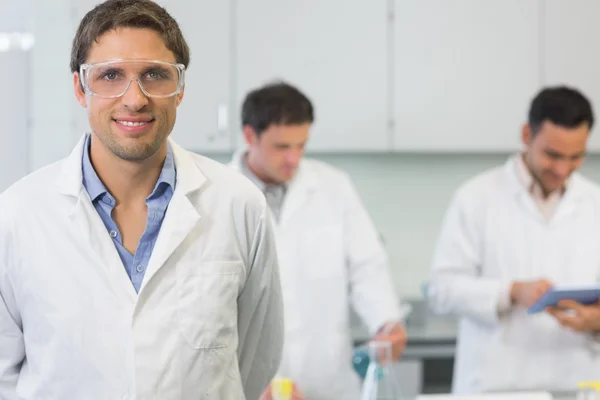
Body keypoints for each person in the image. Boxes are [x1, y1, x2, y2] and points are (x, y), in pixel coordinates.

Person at [0, 1, 284, 399]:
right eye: (111, 75)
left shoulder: (238, 206)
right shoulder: (17, 214)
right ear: (80, 88)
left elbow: (255, 361)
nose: (135, 99)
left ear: (180, 89)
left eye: (154, 74)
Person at [228, 81, 408, 400]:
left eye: (301, 145)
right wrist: (250, 378)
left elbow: (366, 267)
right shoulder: (220, 194)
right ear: (249, 136)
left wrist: (385, 322)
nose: (294, 158)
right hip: (250, 384)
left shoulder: (334, 187)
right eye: (282, 147)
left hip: (327, 378)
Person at [426, 86, 600, 394]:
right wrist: (511, 292)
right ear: (526, 135)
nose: (562, 169)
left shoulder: (594, 202)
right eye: (552, 155)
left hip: (577, 383)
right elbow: (441, 290)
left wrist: (596, 320)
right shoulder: (476, 198)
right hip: (497, 387)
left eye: (576, 157)